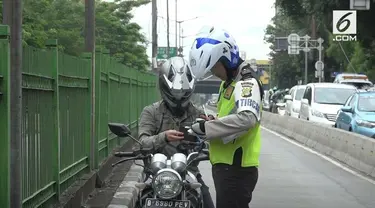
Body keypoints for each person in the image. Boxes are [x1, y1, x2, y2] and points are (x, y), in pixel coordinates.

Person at [187, 26, 264, 208]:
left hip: (237, 168)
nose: (213, 72)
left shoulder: (246, 83)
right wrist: (211, 121)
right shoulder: (228, 84)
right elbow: (229, 117)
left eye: (214, 66)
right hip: (226, 166)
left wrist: (208, 129)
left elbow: (247, 119)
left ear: (226, 60)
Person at [137, 56, 214, 208]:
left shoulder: (199, 114)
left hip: (189, 176)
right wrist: (163, 137)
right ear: (164, 88)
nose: (179, 98)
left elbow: (211, 142)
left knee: (207, 202)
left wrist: (210, 126)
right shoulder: (151, 112)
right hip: (155, 176)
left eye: (183, 93)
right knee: (139, 201)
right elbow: (143, 143)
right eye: (174, 93)